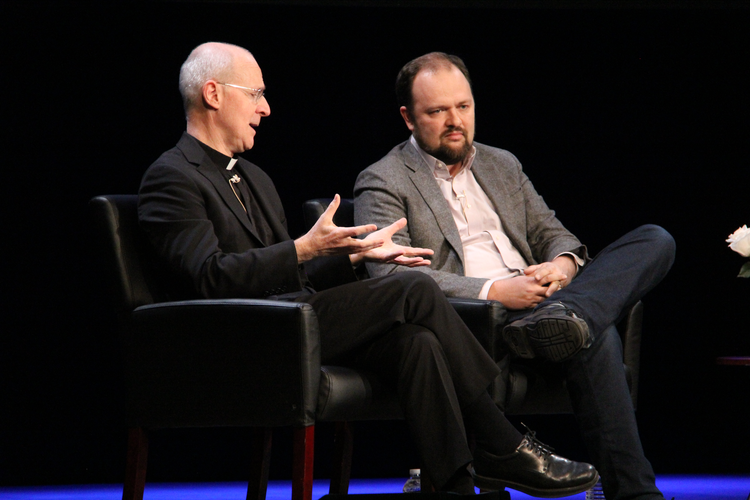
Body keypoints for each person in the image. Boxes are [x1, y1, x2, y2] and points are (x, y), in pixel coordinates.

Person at [138, 42, 599, 497]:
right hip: (244, 335)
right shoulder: (172, 176)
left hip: (294, 320)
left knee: (416, 343)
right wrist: (302, 249)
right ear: (214, 94)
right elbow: (208, 277)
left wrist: (351, 257)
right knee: (414, 289)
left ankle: (454, 486)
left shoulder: (254, 178)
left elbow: (293, 280)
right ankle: (501, 442)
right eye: (256, 94)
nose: (266, 108)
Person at [353, 52, 676, 500]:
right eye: (437, 111)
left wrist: (562, 266)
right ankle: (637, 495)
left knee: (655, 239)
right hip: (475, 326)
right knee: (594, 334)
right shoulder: (383, 179)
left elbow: (555, 234)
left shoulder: (501, 164)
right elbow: (390, 275)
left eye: (463, 107)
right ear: (408, 117)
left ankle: (566, 315)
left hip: (546, 305)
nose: (455, 121)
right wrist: (498, 292)